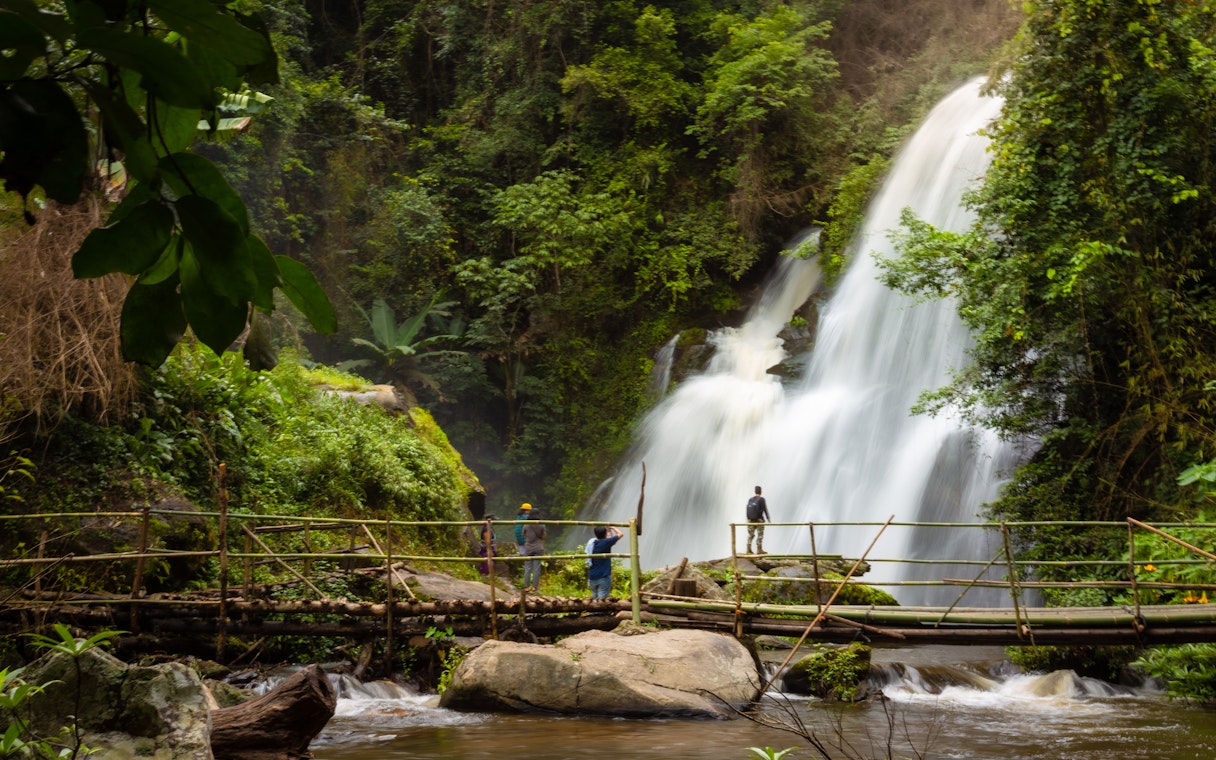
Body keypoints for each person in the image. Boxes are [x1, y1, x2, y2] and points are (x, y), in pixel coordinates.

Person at [587, 525, 623, 599]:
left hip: (592, 577)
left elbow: (609, 539)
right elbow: (620, 534)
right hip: (603, 576)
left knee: (594, 599)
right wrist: (613, 527)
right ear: (605, 534)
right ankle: (600, 611)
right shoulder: (606, 542)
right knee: (601, 602)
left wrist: (608, 532)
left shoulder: (592, 543)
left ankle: (593, 611)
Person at [521, 511, 547, 592]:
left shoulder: (526, 524)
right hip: (538, 547)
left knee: (528, 568)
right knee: (536, 568)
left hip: (528, 547)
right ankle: (534, 587)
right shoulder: (541, 524)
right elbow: (543, 536)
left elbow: (523, 534)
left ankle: (526, 587)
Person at [745, 485, 770, 554]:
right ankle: (759, 550)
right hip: (759, 520)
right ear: (761, 492)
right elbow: (765, 509)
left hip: (750, 520)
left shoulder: (750, 499)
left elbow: (747, 509)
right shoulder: (762, 499)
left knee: (750, 535)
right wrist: (768, 518)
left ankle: (748, 549)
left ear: (755, 491)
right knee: (760, 535)